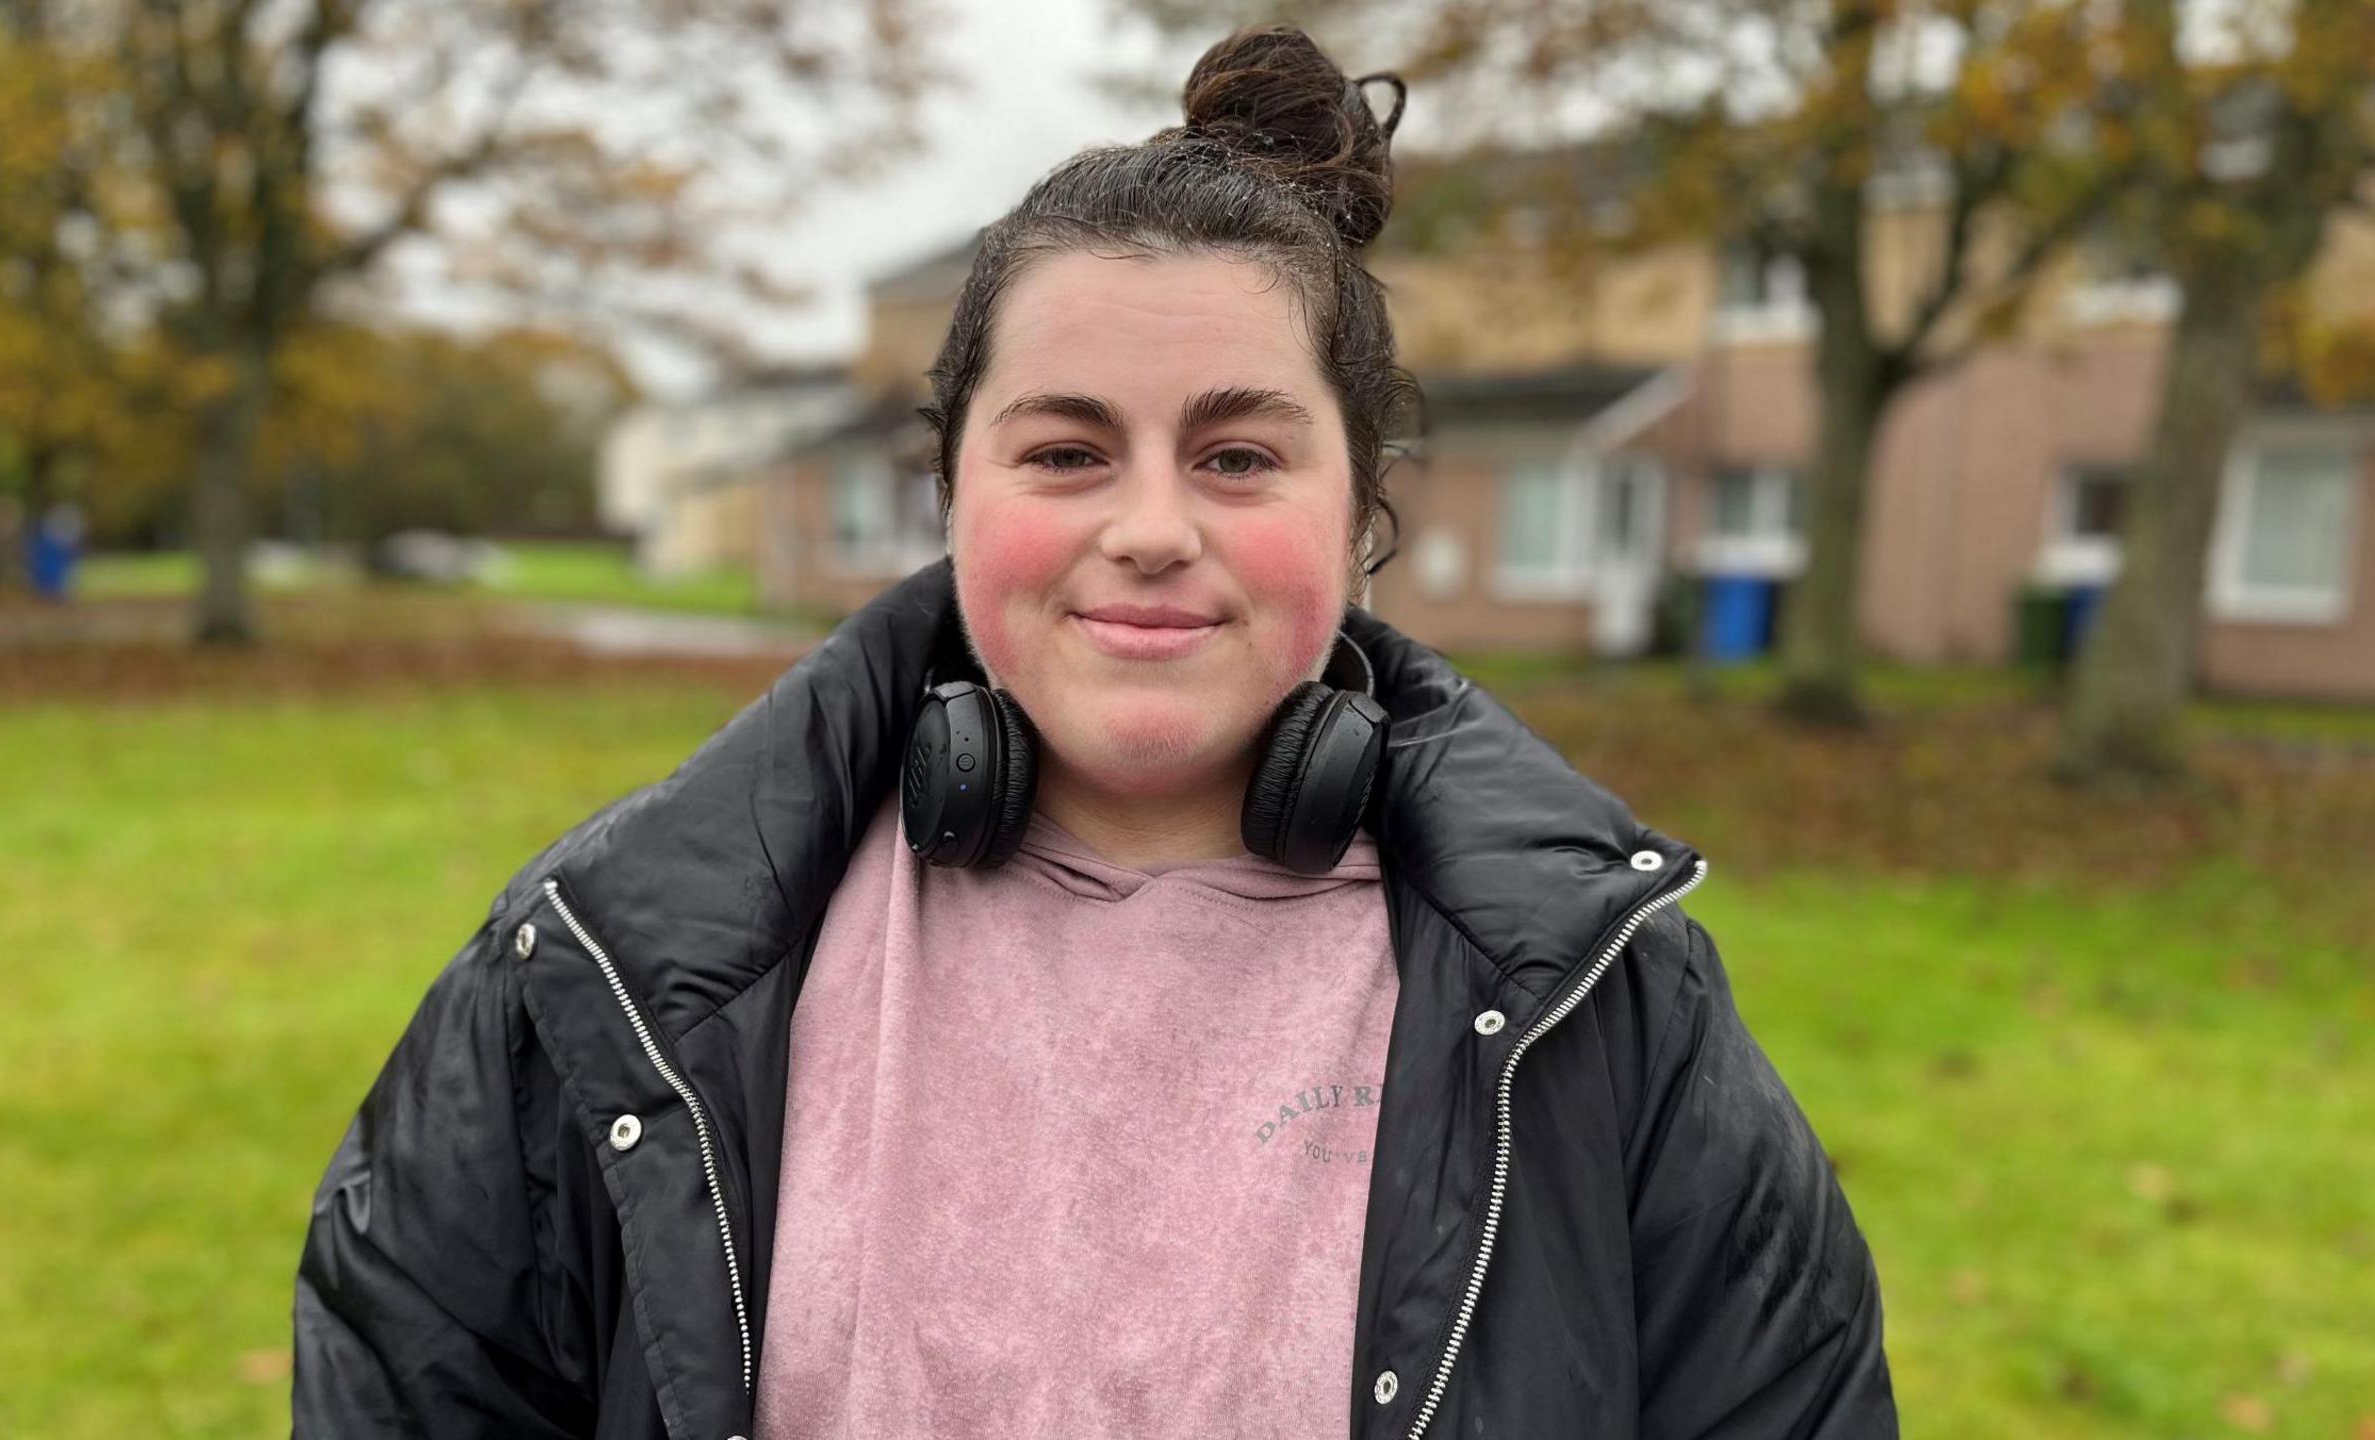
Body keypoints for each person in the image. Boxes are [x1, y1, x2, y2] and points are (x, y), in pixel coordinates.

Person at [291, 25, 1895, 1440]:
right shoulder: (608, 967)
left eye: (1239, 458)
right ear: (950, 491)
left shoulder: (1608, 1003)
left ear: (1360, 515)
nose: (1147, 528)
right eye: (1065, 451)